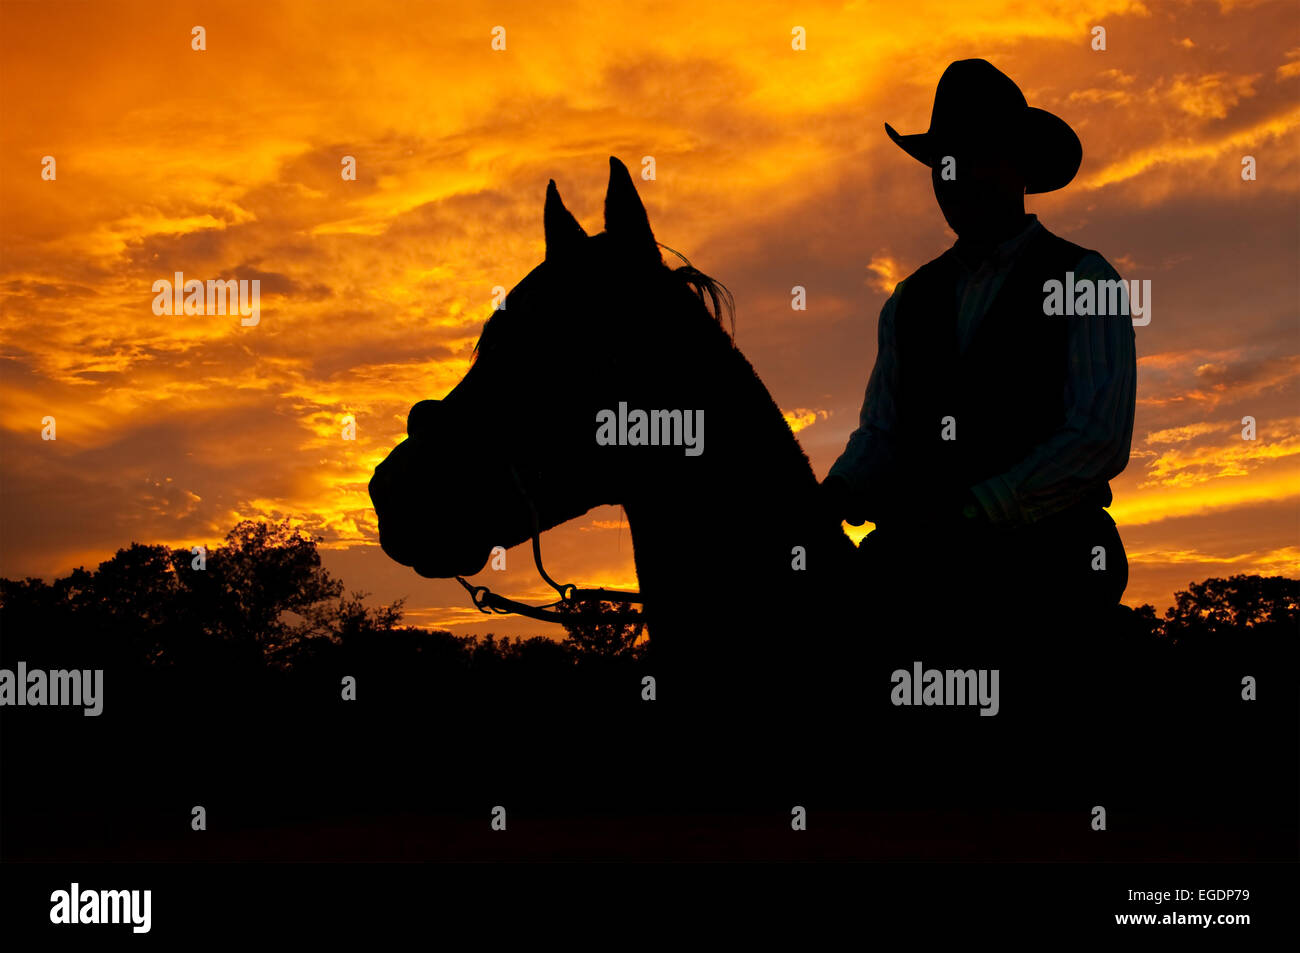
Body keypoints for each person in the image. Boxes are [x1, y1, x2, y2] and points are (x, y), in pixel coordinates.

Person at [822, 59, 1137, 634]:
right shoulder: (906, 301)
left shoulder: (1086, 280)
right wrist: (838, 490)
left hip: (1046, 563)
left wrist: (979, 508)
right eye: (944, 164)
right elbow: (881, 433)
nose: (955, 177)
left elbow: (1098, 435)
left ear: (1017, 166)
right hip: (919, 562)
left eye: (974, 158)